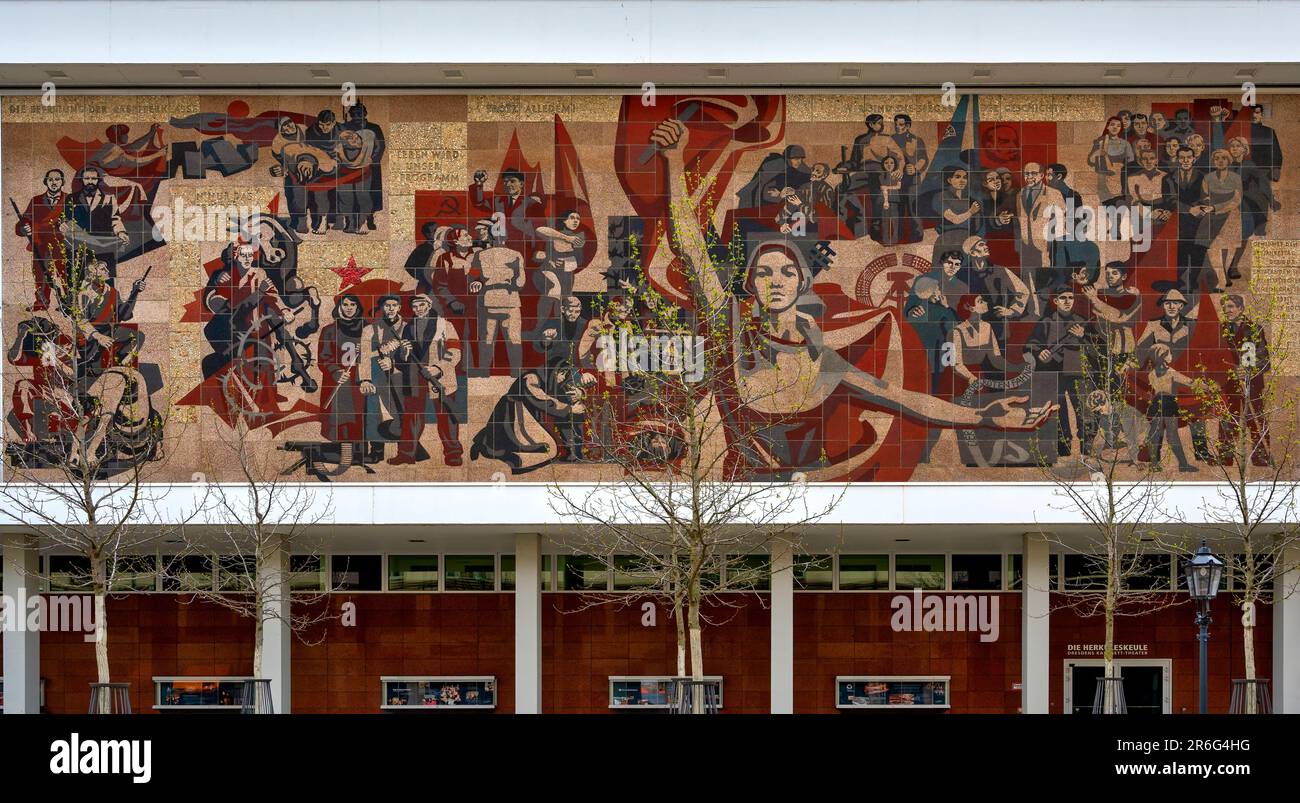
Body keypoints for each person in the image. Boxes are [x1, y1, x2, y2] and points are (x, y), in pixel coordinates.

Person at [645, 117, 1055, 480]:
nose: (775, 280)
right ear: (750, 284)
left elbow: (907, 400)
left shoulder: (823, 360)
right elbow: (690, 248)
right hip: (737, 506)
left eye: (787, 272)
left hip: (805, 501)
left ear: (802, 283)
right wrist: (673, 162)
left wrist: (984, 416)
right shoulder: (729, 326)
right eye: (764, 272)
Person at [1025, 287, 1096, 457]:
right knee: (1059, 411)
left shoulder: (1082, 321)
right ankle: (1063, 449)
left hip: (1077, 372)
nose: (1067, 301)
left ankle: (1086, 449)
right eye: (1062, 297)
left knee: (1082, 410)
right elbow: (1030, 344)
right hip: (1053, 373)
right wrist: (1039, 351)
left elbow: (1096, 350)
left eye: (1070, 297)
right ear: (1055, 301)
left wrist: (1083, 336)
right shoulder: (1046, 322)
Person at [1219, 294, 1271, 466]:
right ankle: (1225, 457)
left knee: (1256, 420)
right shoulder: (1220, 331)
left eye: (1231, 306)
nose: (1228, 310)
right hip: (1228, 385)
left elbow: (1265, 361)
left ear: (1241, 308)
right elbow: (1214, 360)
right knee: (1227, 420)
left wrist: (1248, 370)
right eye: (1225, 307)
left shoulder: (1255, 329)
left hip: (1253, 386)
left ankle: (1261, 456)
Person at [317, 293, 370, 458]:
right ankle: (339, 452)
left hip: (359, 380)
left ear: (358, 307)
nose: (349, 308)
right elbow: (323, 358)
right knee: (339, 417)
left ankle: (359, 453)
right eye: (345, 304)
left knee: (360, 416)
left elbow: (373, 354)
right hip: (338, 381)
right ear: (339, 307)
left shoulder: (367, 329)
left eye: (352, 305)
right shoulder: (329, 330)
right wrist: (335, 371)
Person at [468, 228, 526, 376]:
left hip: (498, 300)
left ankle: (488, 372)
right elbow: (520, 282)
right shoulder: (514, 255)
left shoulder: (481, 255)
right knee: (506, 338)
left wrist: (478, 282)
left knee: (494, 338)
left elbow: (473, 278)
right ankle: (513, 373)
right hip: (505, 300)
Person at [1014, 161, 1066, 316]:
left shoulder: (1053, 194)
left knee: (1043, 280)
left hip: (1044, 244)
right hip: (1026, 244)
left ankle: (1045, 312)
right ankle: (1032, 312)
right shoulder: (1020, 194)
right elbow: (1020, 219)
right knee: (1027, 280)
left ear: (1042, 175)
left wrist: (1053, 243)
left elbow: (1061, 219)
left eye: (1033, 173)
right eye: (1026, 173)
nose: (1029, 177)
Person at [61, 165, 129, 277]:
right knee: (78, 281)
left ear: (98, 180)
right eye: (87, 178)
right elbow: (66, 218)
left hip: (104, 248)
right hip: (80, 247)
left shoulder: (109, 198)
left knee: (105, 282)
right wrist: (63, 224)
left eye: (93, 178)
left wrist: (121, 232)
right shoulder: (71, 198)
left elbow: (115, 219)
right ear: (82, 180)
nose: (90, 181)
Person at [15, 168, 69, 310]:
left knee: (66, 274)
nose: (54, 182)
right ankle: (41, 303)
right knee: (40, 274)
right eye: (50, 179)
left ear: (62, 182)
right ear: (45, 182)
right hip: (41, 244)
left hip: (62, 245)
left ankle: (69, 303)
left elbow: (79, 220)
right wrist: (24, 228)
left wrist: (69, 225)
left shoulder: (70, 200)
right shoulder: (36, 200)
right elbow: (24, 221)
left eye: (57, 179)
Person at [1144, 343, 1197, 472]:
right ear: (1162, 356)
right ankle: (1183, 464)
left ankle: (1154, 465)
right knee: (1172, 435)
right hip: (1168, 403)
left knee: (1155, 434)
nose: (1171, 356)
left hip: (1156, 404)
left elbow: (1152, 391)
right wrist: (1208, 387)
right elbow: (1189, 382)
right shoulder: (1171, 372)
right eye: (1168, 353)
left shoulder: (1151, 374)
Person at [533, 210, 587, 331]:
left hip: (566, 275)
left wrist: (565, 263)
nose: (575, 221)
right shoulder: (554, 234)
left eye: (578, 218)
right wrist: (566, 238)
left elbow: (579, 261)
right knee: (554, 289)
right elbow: (539, 231)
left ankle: (559, 328)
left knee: (564, 300)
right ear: (564, 220)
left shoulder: (578, 239)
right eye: (572, 217)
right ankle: (540, 326)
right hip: (547, 272)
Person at [1198, 148, 1242, 291]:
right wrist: (1208, 204)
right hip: (1212, 215)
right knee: (1214, 247)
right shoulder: (1208, 177)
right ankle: (1221, 277)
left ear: (1228, 160)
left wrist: (1217, 207)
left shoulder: (1235, 177)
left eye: (1223, 158)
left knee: (1230, 246)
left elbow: (1237, 199)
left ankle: (1225, 271)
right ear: (1213, 161)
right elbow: (1204, 195)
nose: (1220, 161)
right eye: (1217, 158)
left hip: (1231, 215)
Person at [341, 103, 386, 230]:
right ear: (350, 115)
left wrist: (372, 159)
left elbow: (380, 146)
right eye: (354, 114)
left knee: (369, 194)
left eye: (360, 113)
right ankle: (350, 221)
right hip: (350, 167)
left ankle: (368, 219)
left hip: (369, 167)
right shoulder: (344, 127)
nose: (357, 116)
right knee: (349, 195)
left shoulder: (374, 128)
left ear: (365, 114)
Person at [930, 166, 981, 268]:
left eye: (965, 177)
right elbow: (954, 219)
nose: (962, 180)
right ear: (949, 180)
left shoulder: (970, 199)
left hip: (967, 241)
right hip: (948, 240)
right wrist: (971, 212)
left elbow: (978, 224)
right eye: (958, 177)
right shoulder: (941, 196)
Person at [737, 144, 811, 209]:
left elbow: (807, 186)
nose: (799, 162)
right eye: (796, 159)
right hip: (763, 204)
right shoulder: (776, 166)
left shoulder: (802, 169)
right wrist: (779, 196)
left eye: (801, 159)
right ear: (788, 158)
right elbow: (764, 190)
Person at [1086, 116, 1134, 202]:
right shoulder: (1100, 141)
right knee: (1107, 206)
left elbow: (1131, 162)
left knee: (1121, 207)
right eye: (1112, 124)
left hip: (1120, 178)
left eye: (1118, 125)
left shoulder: (1125, 144)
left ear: (1121, 128)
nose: (1115, 127)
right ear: (1107, 126)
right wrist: (1099, 151)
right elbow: (1091, 161)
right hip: (1103, 179)